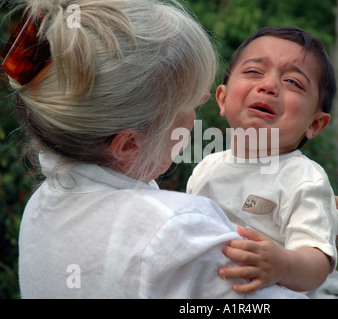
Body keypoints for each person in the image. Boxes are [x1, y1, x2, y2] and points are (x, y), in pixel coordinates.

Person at [3, 0, 317, 299]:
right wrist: (310, 263)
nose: (206, 101)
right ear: (129, 144)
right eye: (191, 104)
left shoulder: (40, 208)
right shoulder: (177, 230)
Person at [187, 26, 338, 298]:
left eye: (293, 82)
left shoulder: (303, 178)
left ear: (315, 124)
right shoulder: (206, 168)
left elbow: (319, 261)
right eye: (253, 71)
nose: (268, 85)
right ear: (222, 99)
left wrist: (283, 265)